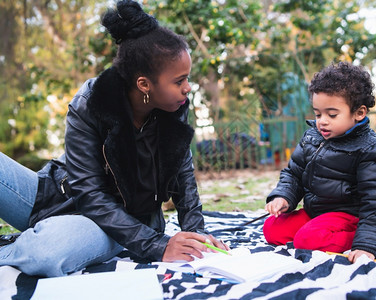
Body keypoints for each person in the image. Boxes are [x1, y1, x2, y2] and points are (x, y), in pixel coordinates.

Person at [0, 0, 227, 277]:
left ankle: (29, 243)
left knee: (48, 251)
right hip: (56, 197)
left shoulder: (175, 107)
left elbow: (183, 177)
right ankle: (36, 235)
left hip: (116, 224)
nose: (187, 88)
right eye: (179, 81)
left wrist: (196, 236)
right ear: (144, 84)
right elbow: (88, 192)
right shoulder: (90, 102)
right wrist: (158, 245)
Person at [263, 62, 376, 263]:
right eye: (318, 114)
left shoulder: (373, 152)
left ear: (359, 113)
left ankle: (357, 237)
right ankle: (315, 233)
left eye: (332, 114)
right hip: (315, 212)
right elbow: (294, 173)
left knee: (306, 240)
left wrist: (367, 244)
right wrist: (283, 196)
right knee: (271, 229)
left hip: (348, 217)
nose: (322, 121)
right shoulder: (311, 138)